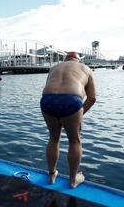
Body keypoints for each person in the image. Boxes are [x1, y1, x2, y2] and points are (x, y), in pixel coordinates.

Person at [40, 51, 96, 189]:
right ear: (78, 60)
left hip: (47, 100)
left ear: (65, 60)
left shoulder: (54, 68)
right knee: (75, 140)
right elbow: (92, 98)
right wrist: (79, 115)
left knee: (53, 138)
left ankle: (51, 175)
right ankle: (72, 180)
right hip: (71, 100)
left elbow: (50, 88)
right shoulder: (85, 68)